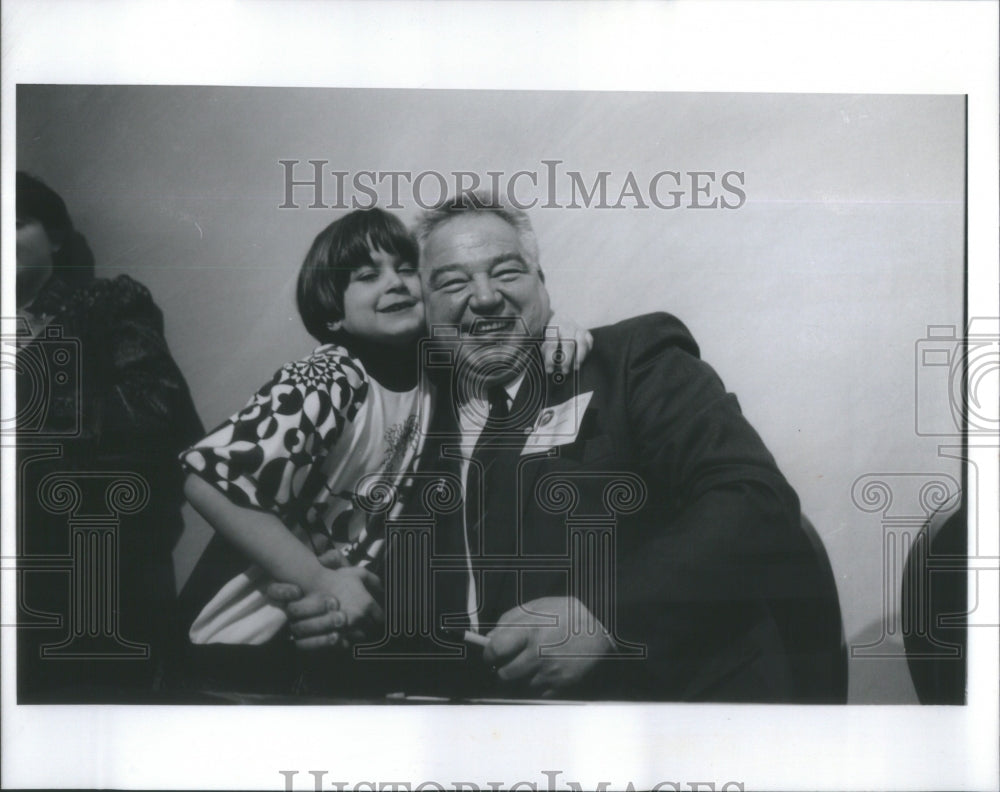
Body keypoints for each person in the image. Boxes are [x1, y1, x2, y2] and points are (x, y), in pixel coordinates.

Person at [273, 192, 819, 702]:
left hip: (672, 717)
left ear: (542, 280)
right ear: (425, 310)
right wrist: (344, 612)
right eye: (451, 283)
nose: (484, 298)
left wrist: (605, 617)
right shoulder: (409, 431)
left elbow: (755, 502)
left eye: (506, 271)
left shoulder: (630, 361)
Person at [176, 207, 590, 693]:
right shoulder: (330, 376)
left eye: (406, 269)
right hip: (231, 628)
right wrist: (321, 580)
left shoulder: (434, 380)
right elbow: (205, 477)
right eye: (367, 276)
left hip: (318, 636)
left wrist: (554, 328)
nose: (394, 283)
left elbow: (501, 332)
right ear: (332, 310)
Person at [15, 171, 205, 701]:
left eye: (15, 222)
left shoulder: (105, 305)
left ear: (53, 235)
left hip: (97, 574)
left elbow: (157, 414)